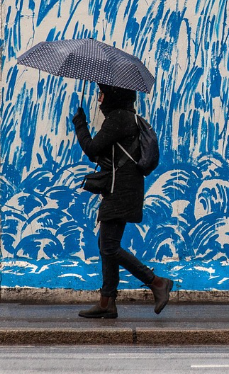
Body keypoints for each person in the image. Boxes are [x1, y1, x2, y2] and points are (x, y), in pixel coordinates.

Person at [71, 83, 174, 319]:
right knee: (106, 245)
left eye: (102, 94)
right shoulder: (129, 119)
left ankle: (157, 282)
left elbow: (91, 147)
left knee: (108, 246)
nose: (99, 100)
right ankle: (107, 302)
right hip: (125, 188)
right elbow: (105, 153)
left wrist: (80, 124)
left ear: (114, 96)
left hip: (120, 191)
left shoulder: (118, 118)